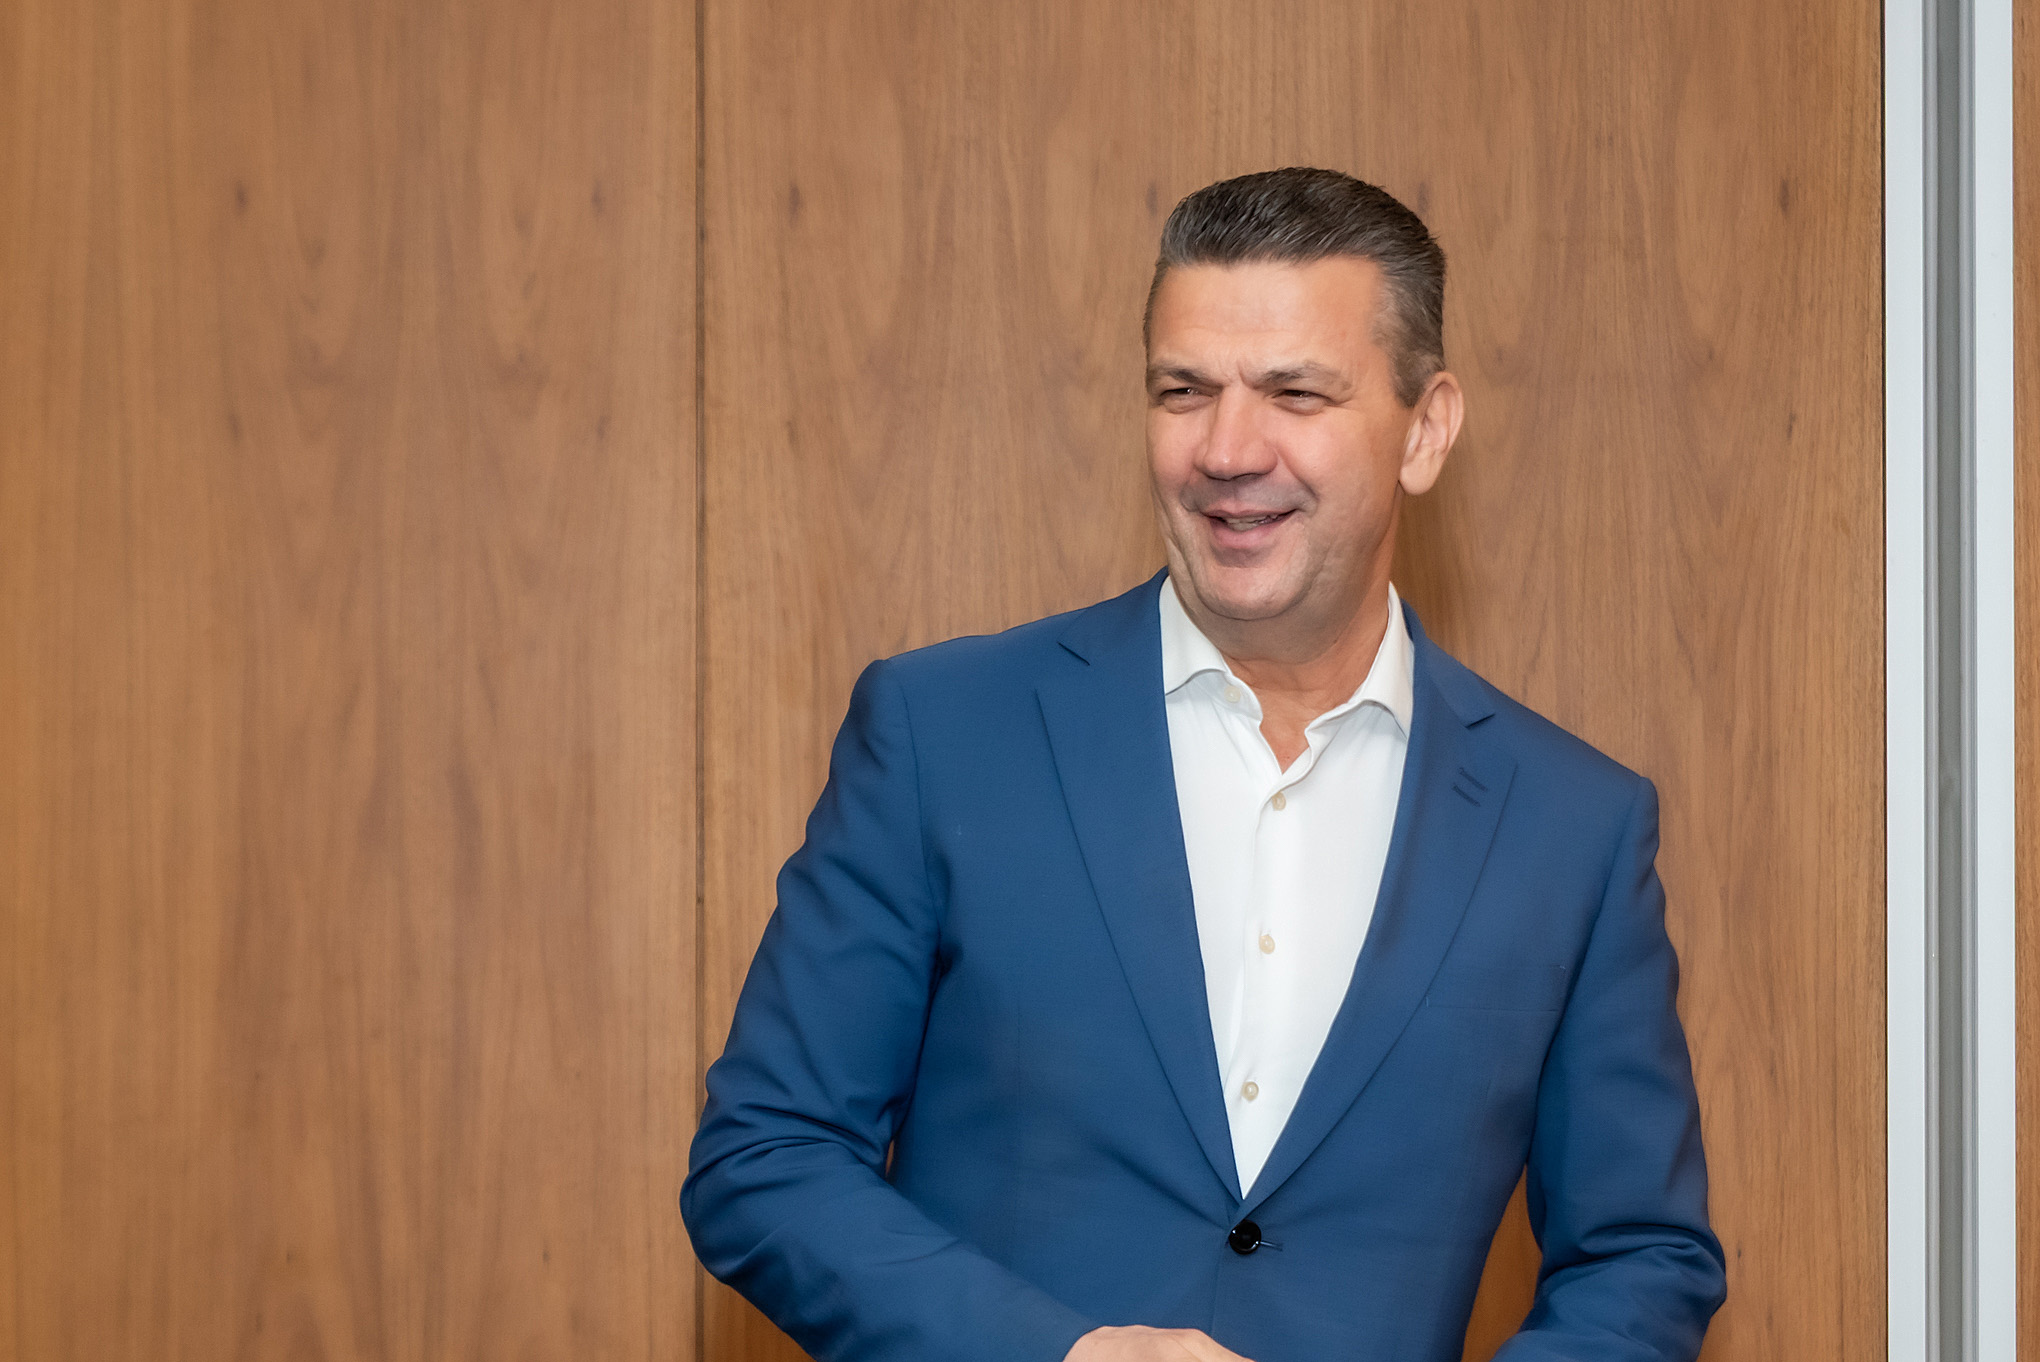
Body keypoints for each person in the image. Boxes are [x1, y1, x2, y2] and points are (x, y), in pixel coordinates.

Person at [682, 167, 1726, 1362]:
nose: (1228, 450)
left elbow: (1642, 1257)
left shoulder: (1573, 827)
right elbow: (764, 1158)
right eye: (1184, 391)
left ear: (1426, 430)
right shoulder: (942, 734)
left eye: (1295, 392)